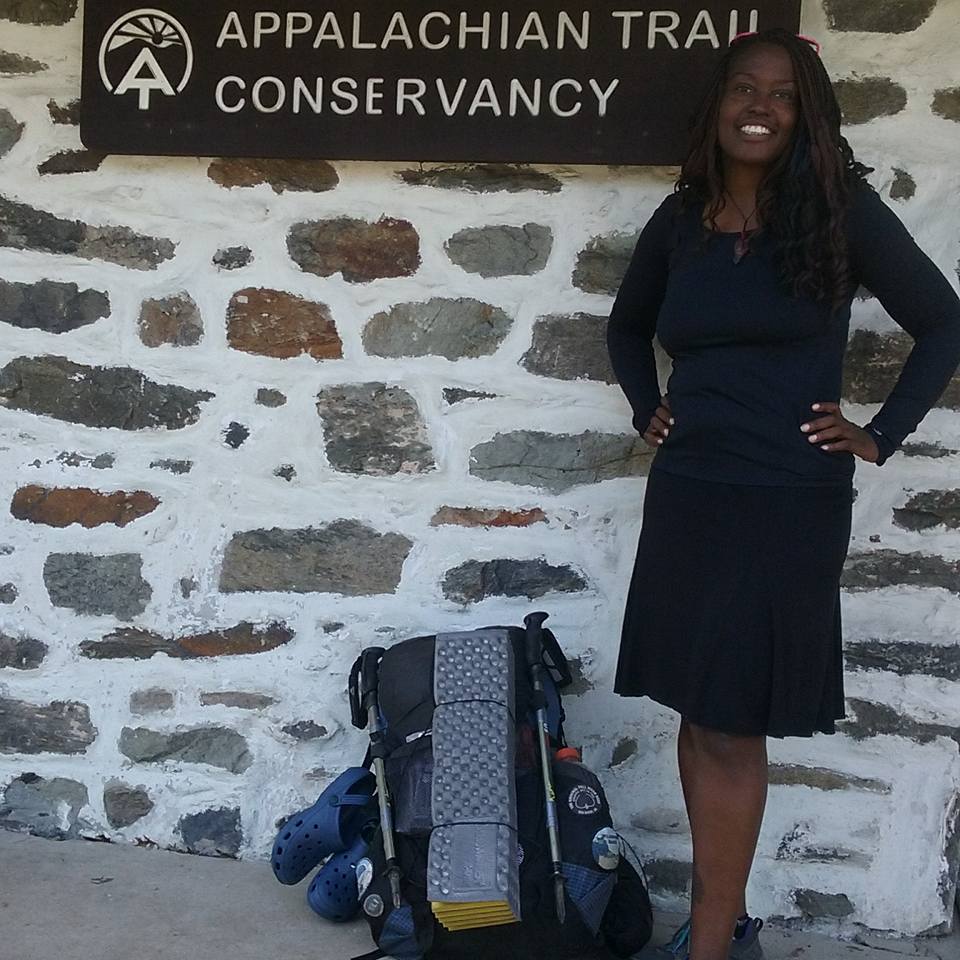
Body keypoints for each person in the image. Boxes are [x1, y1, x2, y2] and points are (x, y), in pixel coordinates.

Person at [606, 28, 960, 960]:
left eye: (783, 94)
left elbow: (943, 322)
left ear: (808, 115)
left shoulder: (841, 214)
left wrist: (880, 434)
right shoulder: (683, 219)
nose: (759, 107)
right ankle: (723, 925)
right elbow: (627, 326)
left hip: (785, 500)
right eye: (743, 88)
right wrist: (647, 406)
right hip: (690, 494)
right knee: (697, 710)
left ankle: (709, 947)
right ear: (717, 104)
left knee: (731, 722)